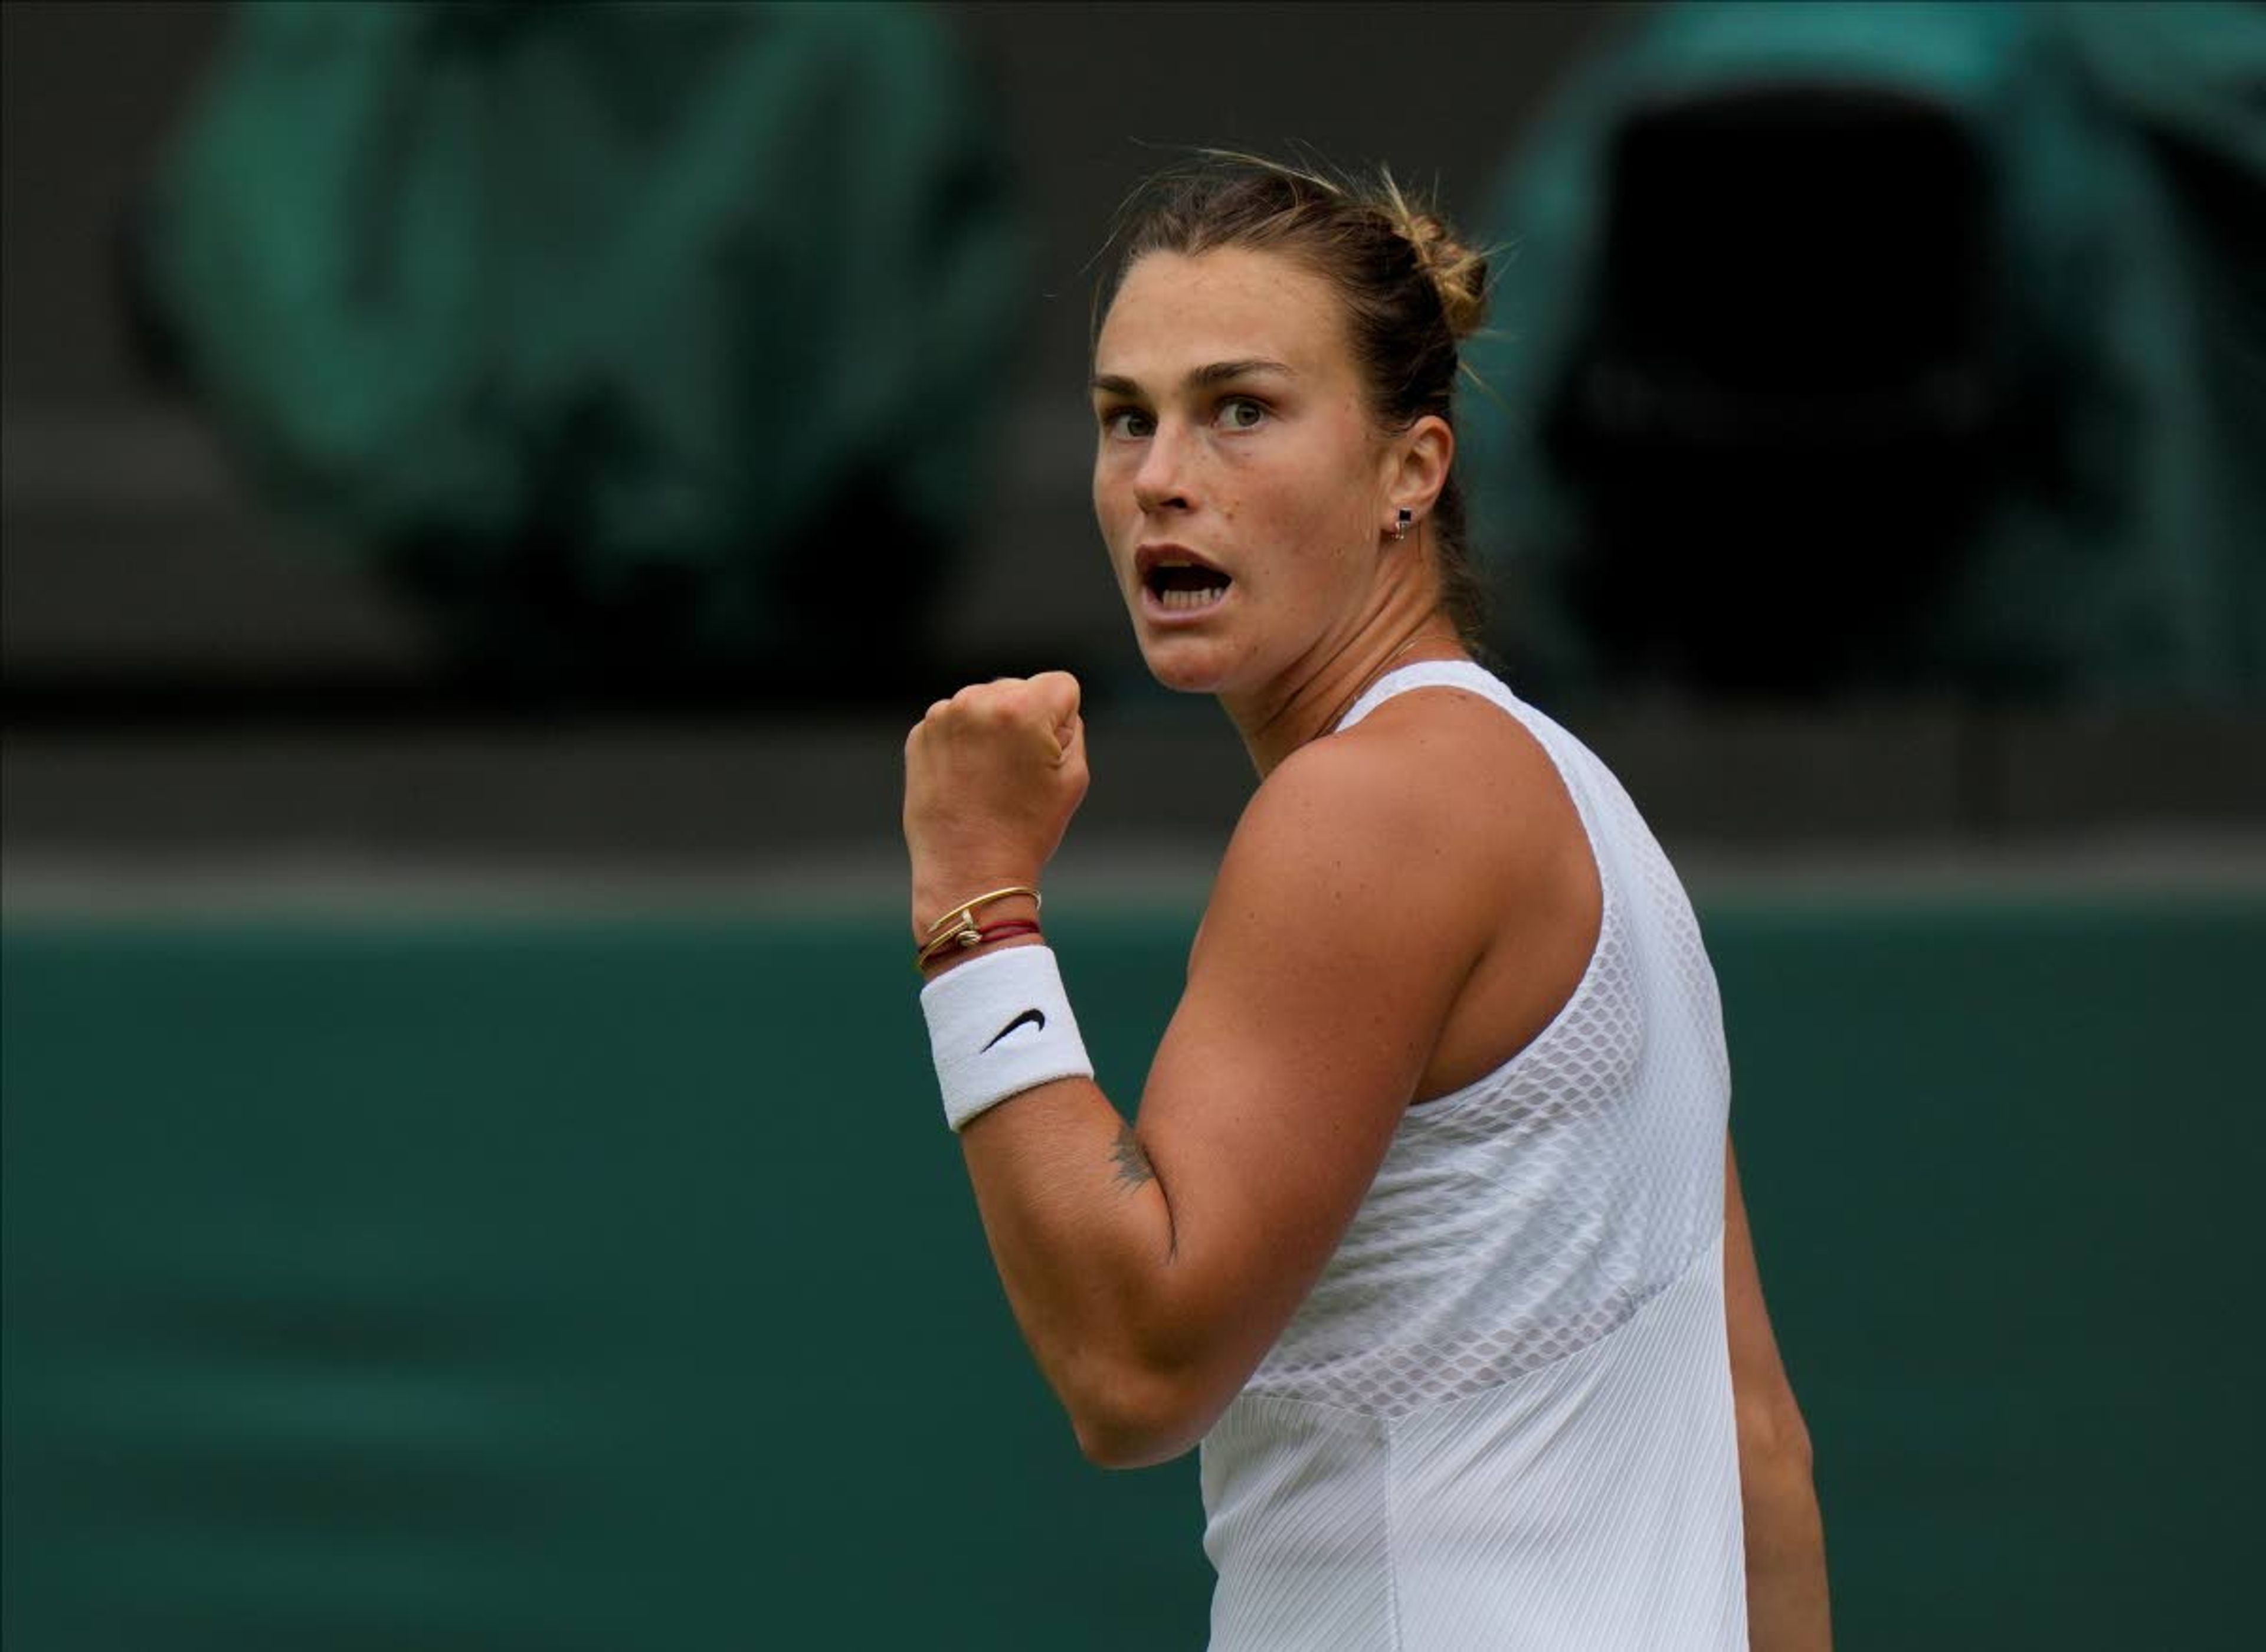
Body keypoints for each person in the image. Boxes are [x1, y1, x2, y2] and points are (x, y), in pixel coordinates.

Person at [902, 155, 1830, 1649]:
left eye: (1241, 409)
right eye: (1124, 418)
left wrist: (972, 901)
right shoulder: (1583, 811)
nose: (1161, 477)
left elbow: (1136, 1366)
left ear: (1415, 467)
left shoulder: (1370, 802)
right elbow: (1761, 1450)